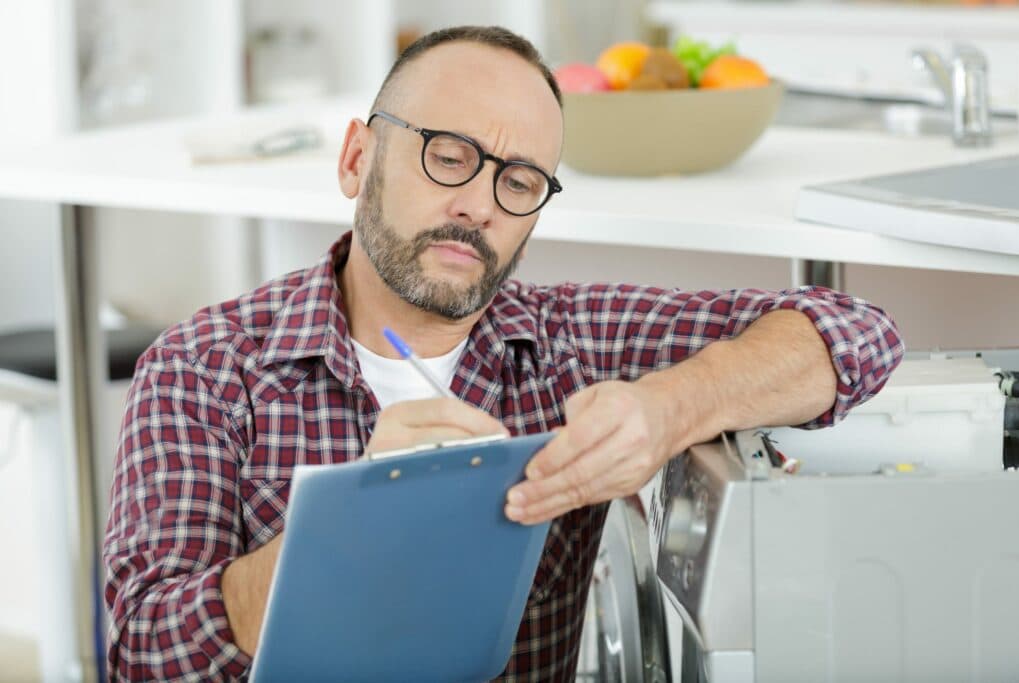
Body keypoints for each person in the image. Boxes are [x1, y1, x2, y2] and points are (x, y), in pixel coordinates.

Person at [103, 25, 904, 682]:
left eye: (519, 181)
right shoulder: (204, 365)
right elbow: (143, 646)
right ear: (357, 159)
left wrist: (668, 410)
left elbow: (856, 332)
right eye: (449, 156)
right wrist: (346, 526)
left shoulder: (570, 344)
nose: (479, 205)